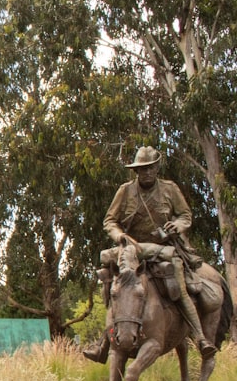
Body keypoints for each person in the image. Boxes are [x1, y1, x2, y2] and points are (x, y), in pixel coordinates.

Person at [84, 145, 216, 362]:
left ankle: (201, 338)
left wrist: (177, 226)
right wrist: (119, 236)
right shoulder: (125, 191)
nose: (146, 172)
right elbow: (110, 220)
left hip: (161, 249)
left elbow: (185, 215)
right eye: (142, 169)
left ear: (157, 168)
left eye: (150, 168)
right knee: (112, 284)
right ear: (136, 171)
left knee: (179, 285)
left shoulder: (169, 189)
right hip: (131, 248)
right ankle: (103, 344)